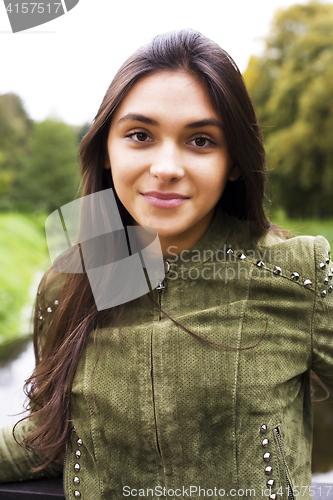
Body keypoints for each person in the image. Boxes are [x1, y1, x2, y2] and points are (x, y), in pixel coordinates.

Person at [0, 29, 332, 500]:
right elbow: (52, 436)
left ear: (234, 160)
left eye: (200, 140)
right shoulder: (67, 284)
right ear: (107, 151)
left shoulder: (298, 273)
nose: (167, 166)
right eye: (140, 136)